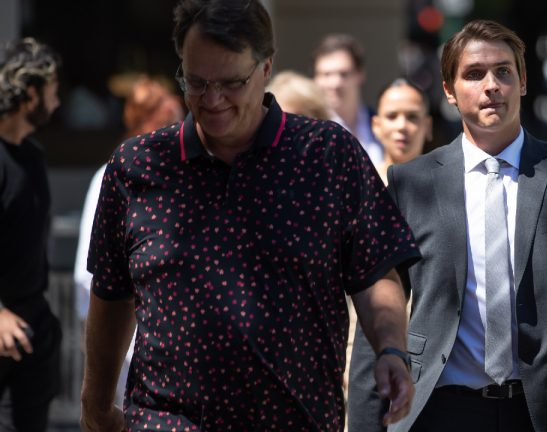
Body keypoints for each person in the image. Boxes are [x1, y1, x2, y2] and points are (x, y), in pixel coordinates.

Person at [79, 1, 419, 431]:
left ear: (265, 68)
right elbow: (111, 294)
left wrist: (392, 349)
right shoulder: (138, 165)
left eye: (231, 83)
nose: (212, 99)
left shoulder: (327, 155)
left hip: (296, 419)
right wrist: (95, 404)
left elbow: (374, 272)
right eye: (196, 82)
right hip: (168, 420)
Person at [348, 19, 547, 432]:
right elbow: (379, 302)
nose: (491, 85)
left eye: (503, 72)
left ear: (522, 82)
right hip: (440, 409)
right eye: (474, 74)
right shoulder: (412, 183)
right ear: (449, 91)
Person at [73, 76, 184, 403]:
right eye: (170, 123)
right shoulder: (115, 176)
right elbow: (88, 276)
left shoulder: (181, 173)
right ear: (150, 122)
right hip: (129, 345)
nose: (177, 132)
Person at [0, 37, 62, 432]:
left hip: (32, 330)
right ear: (30, 93)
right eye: (53, 90)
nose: (57, 102)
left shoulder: (34, 156)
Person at [313, 34, 383, 165]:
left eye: (343, 74)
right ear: (315, 79)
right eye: (326, 74)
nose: (335, 83)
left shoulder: (382, 124)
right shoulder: (310, 132)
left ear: (360, 74)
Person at [371, 79, 432, 183]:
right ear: (376, 126)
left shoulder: (445, 183)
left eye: (412, 117)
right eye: (392, 116)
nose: (402, 126)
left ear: (428, 126)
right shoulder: (362, 185)